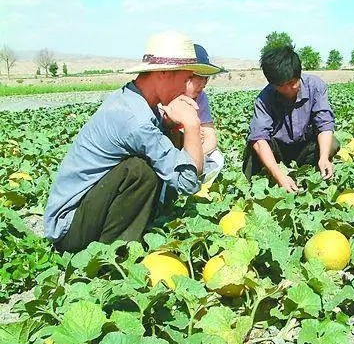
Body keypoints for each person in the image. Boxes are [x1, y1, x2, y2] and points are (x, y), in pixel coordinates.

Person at [44, 31, 223, 253]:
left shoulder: (135, 99)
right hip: (69, 229)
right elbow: (187, 182)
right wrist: (193, 125)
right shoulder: (135, 119)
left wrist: (169, 127)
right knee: (140, 170)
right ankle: (114, 255)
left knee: (150, 161)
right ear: (164, 73)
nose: (187, 87)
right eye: (185, 78)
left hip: (86, 213)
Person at [242, 45, 339, 192]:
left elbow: (324, 124)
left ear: (299, 74)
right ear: (272, 83)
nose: (288, 89)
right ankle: (250, 187)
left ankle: (319, 174)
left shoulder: (316, 86)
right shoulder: (264, 98)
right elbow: (259, 139)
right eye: (281, 85)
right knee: (253, 145)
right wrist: (279, 175)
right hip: (279, 150)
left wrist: (324, 157)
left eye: (292, 83)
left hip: (306, 147)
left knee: (332, 143)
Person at [165, 44, 226, 187]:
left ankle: (196, 191)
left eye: (207, 78)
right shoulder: (166, 96)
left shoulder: (201, 98)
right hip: (167, 154)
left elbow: (211, 139)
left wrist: (193, 155)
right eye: (200, 77)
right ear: (186, 76)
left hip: (190, 154)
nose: (204, 84)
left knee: (217, 159)